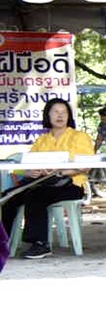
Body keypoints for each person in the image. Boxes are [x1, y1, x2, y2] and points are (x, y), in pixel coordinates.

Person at [1, 98, 94, 259]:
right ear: (48, 115)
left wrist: (61, 172)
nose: (60, 115)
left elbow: (86, 166)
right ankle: (3, 242)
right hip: (42, 182)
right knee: (8, 197)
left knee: (35, 196)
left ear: (69, 116)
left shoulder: (79, 137)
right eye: (56, 112)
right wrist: (31, 172)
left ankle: (40, 244)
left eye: (64, 112)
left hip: (71, 185)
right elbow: (28, 164)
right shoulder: (42, 140)